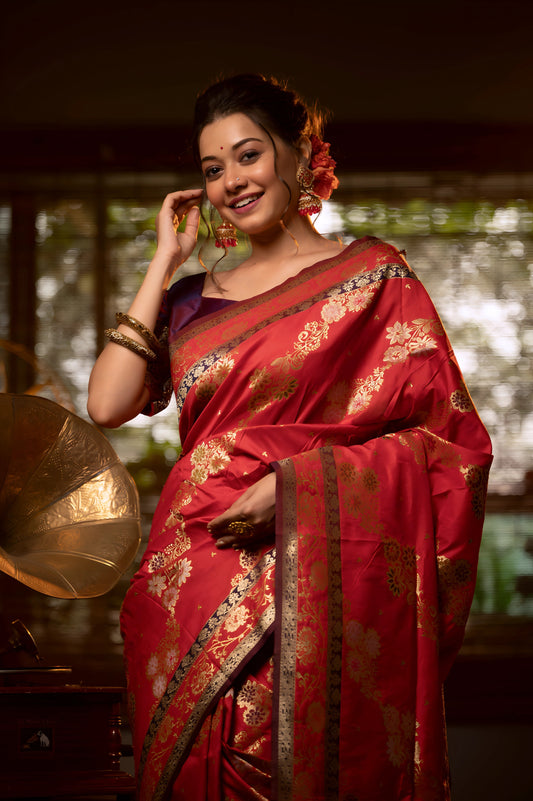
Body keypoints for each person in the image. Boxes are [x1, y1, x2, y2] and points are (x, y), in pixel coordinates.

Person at [87, 74, 492, 801]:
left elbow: (449, 445)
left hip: (310, 580)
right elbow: (108, 401)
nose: (230, 183)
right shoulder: (191, 301)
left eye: (247, 156)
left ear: (300, 156)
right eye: (212, 169)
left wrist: (298, 488)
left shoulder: (372, 278)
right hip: (185, 582)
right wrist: (164, 261)